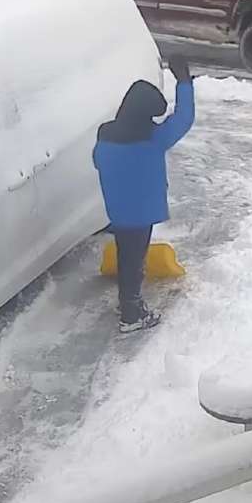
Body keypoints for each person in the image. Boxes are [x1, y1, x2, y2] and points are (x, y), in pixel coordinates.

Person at [93, 57, 196, 333]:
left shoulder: (104, 135)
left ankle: (126, 302)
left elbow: (97, 162)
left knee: (128, 255)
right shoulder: (152, 138)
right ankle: (131, 313)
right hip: (141, 214)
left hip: (117, 211)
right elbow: (184, 118)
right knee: (133, 262)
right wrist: (183, 82)